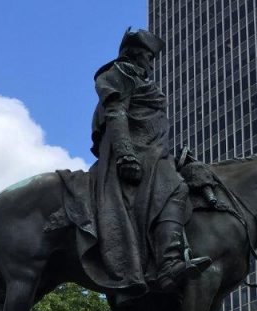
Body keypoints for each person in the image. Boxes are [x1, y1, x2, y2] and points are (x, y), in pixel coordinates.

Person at [87, 28, 211, 294]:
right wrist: (126, 155)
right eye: (148, 57)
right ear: (134, 55)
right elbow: (116, 112)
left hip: (152, 150)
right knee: (175, 189)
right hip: (138, 154)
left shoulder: (137, 79)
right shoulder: (120, 73)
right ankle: (169, 262)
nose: (151, 64)